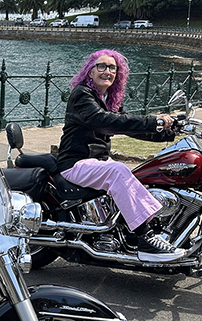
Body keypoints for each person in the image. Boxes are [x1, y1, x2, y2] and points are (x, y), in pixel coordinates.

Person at [57, 49, 185, 263]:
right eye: (102, 66)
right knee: (118, 171)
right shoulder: (82, 95)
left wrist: (168, 133)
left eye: (112, 68)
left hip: (98, 162)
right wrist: (154, 120)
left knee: (139, 173)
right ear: (90, 71)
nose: (107, 71)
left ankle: (141, 228)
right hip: (75, 163)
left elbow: (128, 126)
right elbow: (104, 121)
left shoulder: (108, 99)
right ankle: (145, 235)